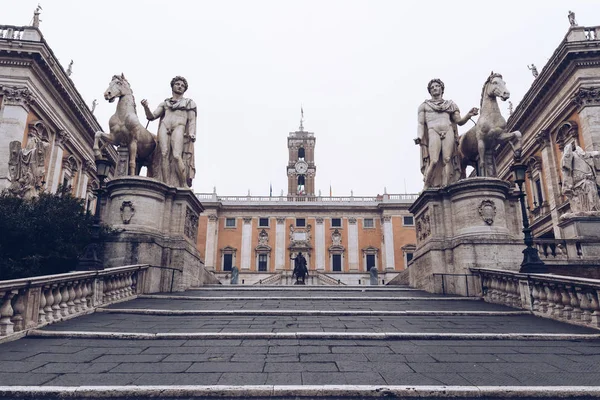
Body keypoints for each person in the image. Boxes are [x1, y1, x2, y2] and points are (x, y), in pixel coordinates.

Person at [415, 79, 478, 188]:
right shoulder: (424, 106)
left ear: (441, 89)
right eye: (432, 87)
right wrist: (419, 137)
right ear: (430, 91)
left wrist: (469, 115)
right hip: (433, 131)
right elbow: (420, 124)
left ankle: (446, 185)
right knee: (434, 160)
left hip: (448, 130)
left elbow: (459, 121)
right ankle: (426, 185)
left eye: (437, 86)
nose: (435, 88)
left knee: (447, 159)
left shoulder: (450, 104)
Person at [141, 76, 196, 187]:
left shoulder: (189, 103)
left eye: (182, 86)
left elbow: (192, 120)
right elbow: (152, 116)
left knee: (176, 155)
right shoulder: (165, 103)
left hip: (179, 127)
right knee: (163, 154)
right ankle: (165, 184)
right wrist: (146, 107)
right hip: (164, 126)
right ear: (172, 86)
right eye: (177, 84)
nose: (180, 87)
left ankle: (183, 183)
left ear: (184, 89)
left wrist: (192, 133)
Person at [561, 143, 600, 213]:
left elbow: (593, 154)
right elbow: (566, 165)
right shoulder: (572, 156)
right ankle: (592, 208)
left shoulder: (583, 155)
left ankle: (593, 208)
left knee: (592, 193)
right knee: (589, 192)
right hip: (582, 183)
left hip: (588, 182)